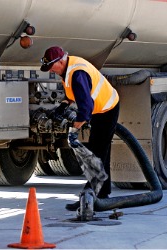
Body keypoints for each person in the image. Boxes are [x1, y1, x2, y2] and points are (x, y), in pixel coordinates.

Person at [40, 46, 120, 211]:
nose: (51, 71)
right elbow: (73, 94)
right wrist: (63, 106)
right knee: (100, 151)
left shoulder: (77, 73)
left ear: (60, 61)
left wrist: (73, 130)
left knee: (97, 152)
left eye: (52, 67)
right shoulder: (68, 68)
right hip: (100, 109)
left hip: (107, 109)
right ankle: (101, 194)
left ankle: (90, 196)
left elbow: (85, 109)